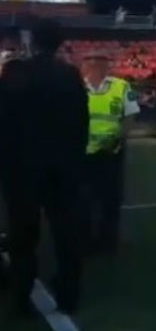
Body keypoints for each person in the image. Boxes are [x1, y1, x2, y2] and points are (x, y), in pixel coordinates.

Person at [0, 19, 89, 315]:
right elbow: (81, 123)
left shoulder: (15, 73)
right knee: (66, 233)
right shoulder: (70, 75)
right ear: (60, 43)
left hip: (22, 169)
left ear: (33, 41)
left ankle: (21, 298)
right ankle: (69, 297)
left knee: (22, 235)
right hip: (63, 168)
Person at [82, 51, 139, 256]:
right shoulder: (76, 87)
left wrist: (119, 139)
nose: (95, 63)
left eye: (100, 60)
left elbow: (130, 115)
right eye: (91, 60)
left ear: (107, 65)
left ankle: (108, 241)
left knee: (111, 200)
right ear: (85, 64)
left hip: (111, 153)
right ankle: (85, 241)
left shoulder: (122, 86)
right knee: (83, 200)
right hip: (84, 154)